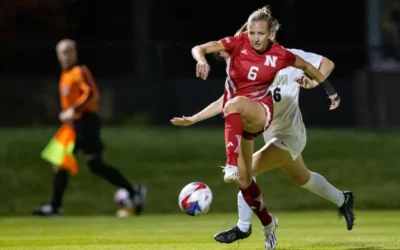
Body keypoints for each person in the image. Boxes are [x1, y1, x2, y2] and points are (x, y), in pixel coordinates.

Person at [172, 17, 354, 246]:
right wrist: (195, 118)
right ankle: (342, 198)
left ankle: (243, 226)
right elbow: (227, 101)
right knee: (302, 178)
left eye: (259, 34)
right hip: (270, 133)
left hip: (290, 134)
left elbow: (326, 63)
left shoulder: (287, 56)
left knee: (247, 169)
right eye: (250, 35)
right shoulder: (246, 66)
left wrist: (316, 83)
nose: (253, 40)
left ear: (270, 34)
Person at [32, 39, 146, 217]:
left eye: (69, 52)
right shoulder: (65, 75)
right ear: (58, 55)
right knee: (75, 164)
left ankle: (132, 191)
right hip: (72, 126)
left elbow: (92, 93)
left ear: (75, 53)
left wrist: (73, 109)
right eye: (63, 52)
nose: (66, 56)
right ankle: (55, 208)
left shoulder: (80, 71)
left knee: (84, 165)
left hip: (86, 122)